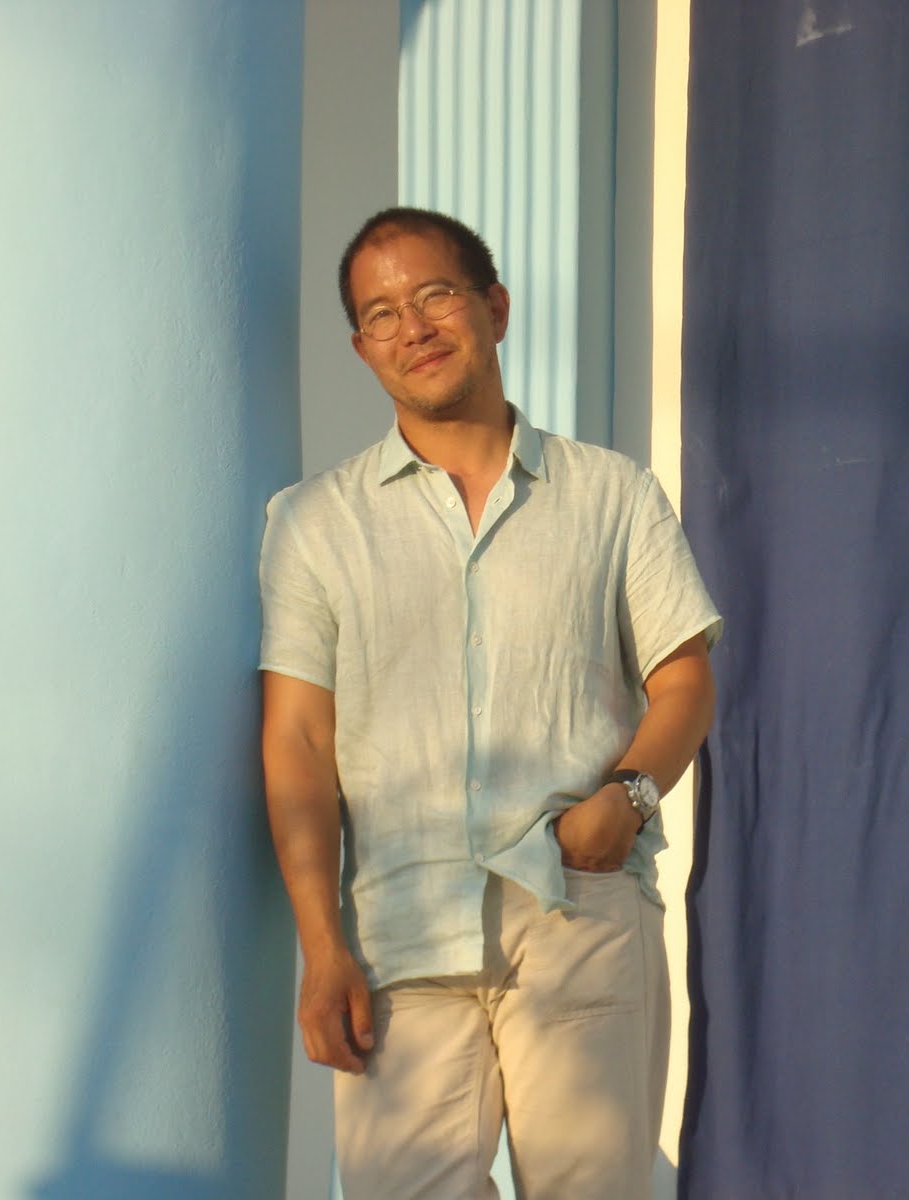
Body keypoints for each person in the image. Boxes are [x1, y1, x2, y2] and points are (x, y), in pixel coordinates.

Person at [259, 206, 721, 1199]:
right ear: (360, 348)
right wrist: (320, 948)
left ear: (495, 308)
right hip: (397, 933)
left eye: (435, 296)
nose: (413, 328)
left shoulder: (613, 494)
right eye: (381, 314)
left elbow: (684, 683)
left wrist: (627, 800)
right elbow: (297, 737)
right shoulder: (311, 523)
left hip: (576, 910)